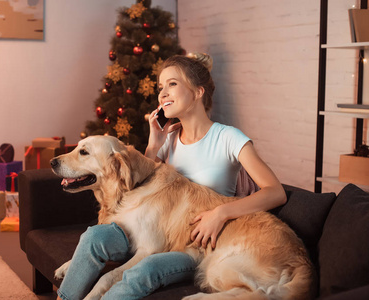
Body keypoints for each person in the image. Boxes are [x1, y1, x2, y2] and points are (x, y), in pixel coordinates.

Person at [56, 54, 286, 300]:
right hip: (154, 231)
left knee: (145, 268)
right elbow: (139, 190)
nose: (163, 93)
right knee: (94, 237)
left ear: (198, 92)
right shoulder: (169, 139)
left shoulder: (229, 137)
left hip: (195, 244)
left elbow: (275, 191)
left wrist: (221, 213)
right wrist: (154, 146)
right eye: (161, 87)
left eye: (172, 84)